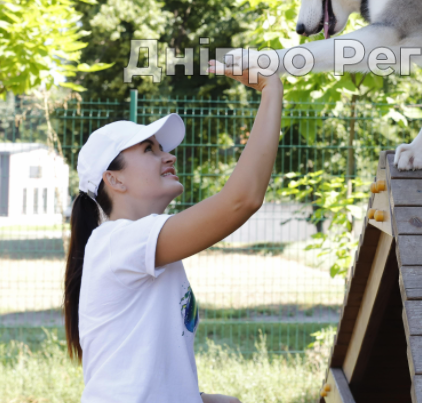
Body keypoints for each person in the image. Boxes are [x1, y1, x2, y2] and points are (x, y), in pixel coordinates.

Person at [63, 63, 282, 402]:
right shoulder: (117, 242)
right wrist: (270, 91)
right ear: (114, 179)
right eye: (149, 149)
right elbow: (242, 201)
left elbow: (148, 372)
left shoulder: (139, 245)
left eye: (161, 148)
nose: (168, 156)